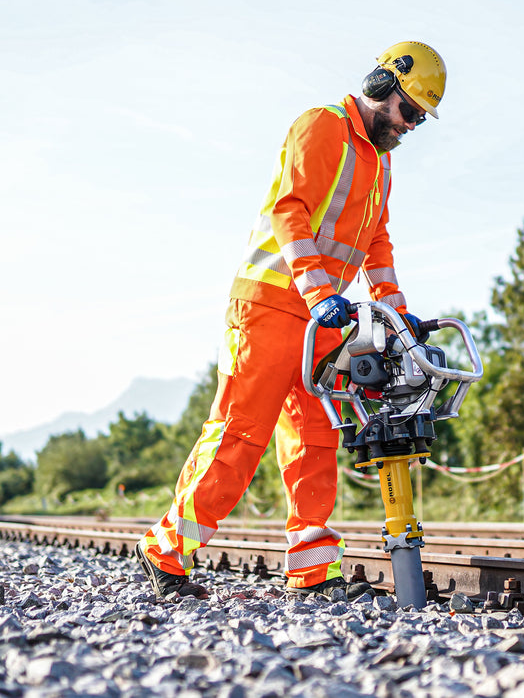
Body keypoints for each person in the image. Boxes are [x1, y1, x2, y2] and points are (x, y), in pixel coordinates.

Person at [135, 41, 447, 602]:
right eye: (410, 111)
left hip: (323, 316)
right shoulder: (322, 126)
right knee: (240, 433)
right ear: (381, 87)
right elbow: (290, 209)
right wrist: (319, 290)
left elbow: (376, 241)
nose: (411, 126)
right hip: (274, 301)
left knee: (315, 438)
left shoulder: (380, 161)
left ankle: (311, 570)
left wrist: (398, 312)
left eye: (421, 119)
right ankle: (166, 549)